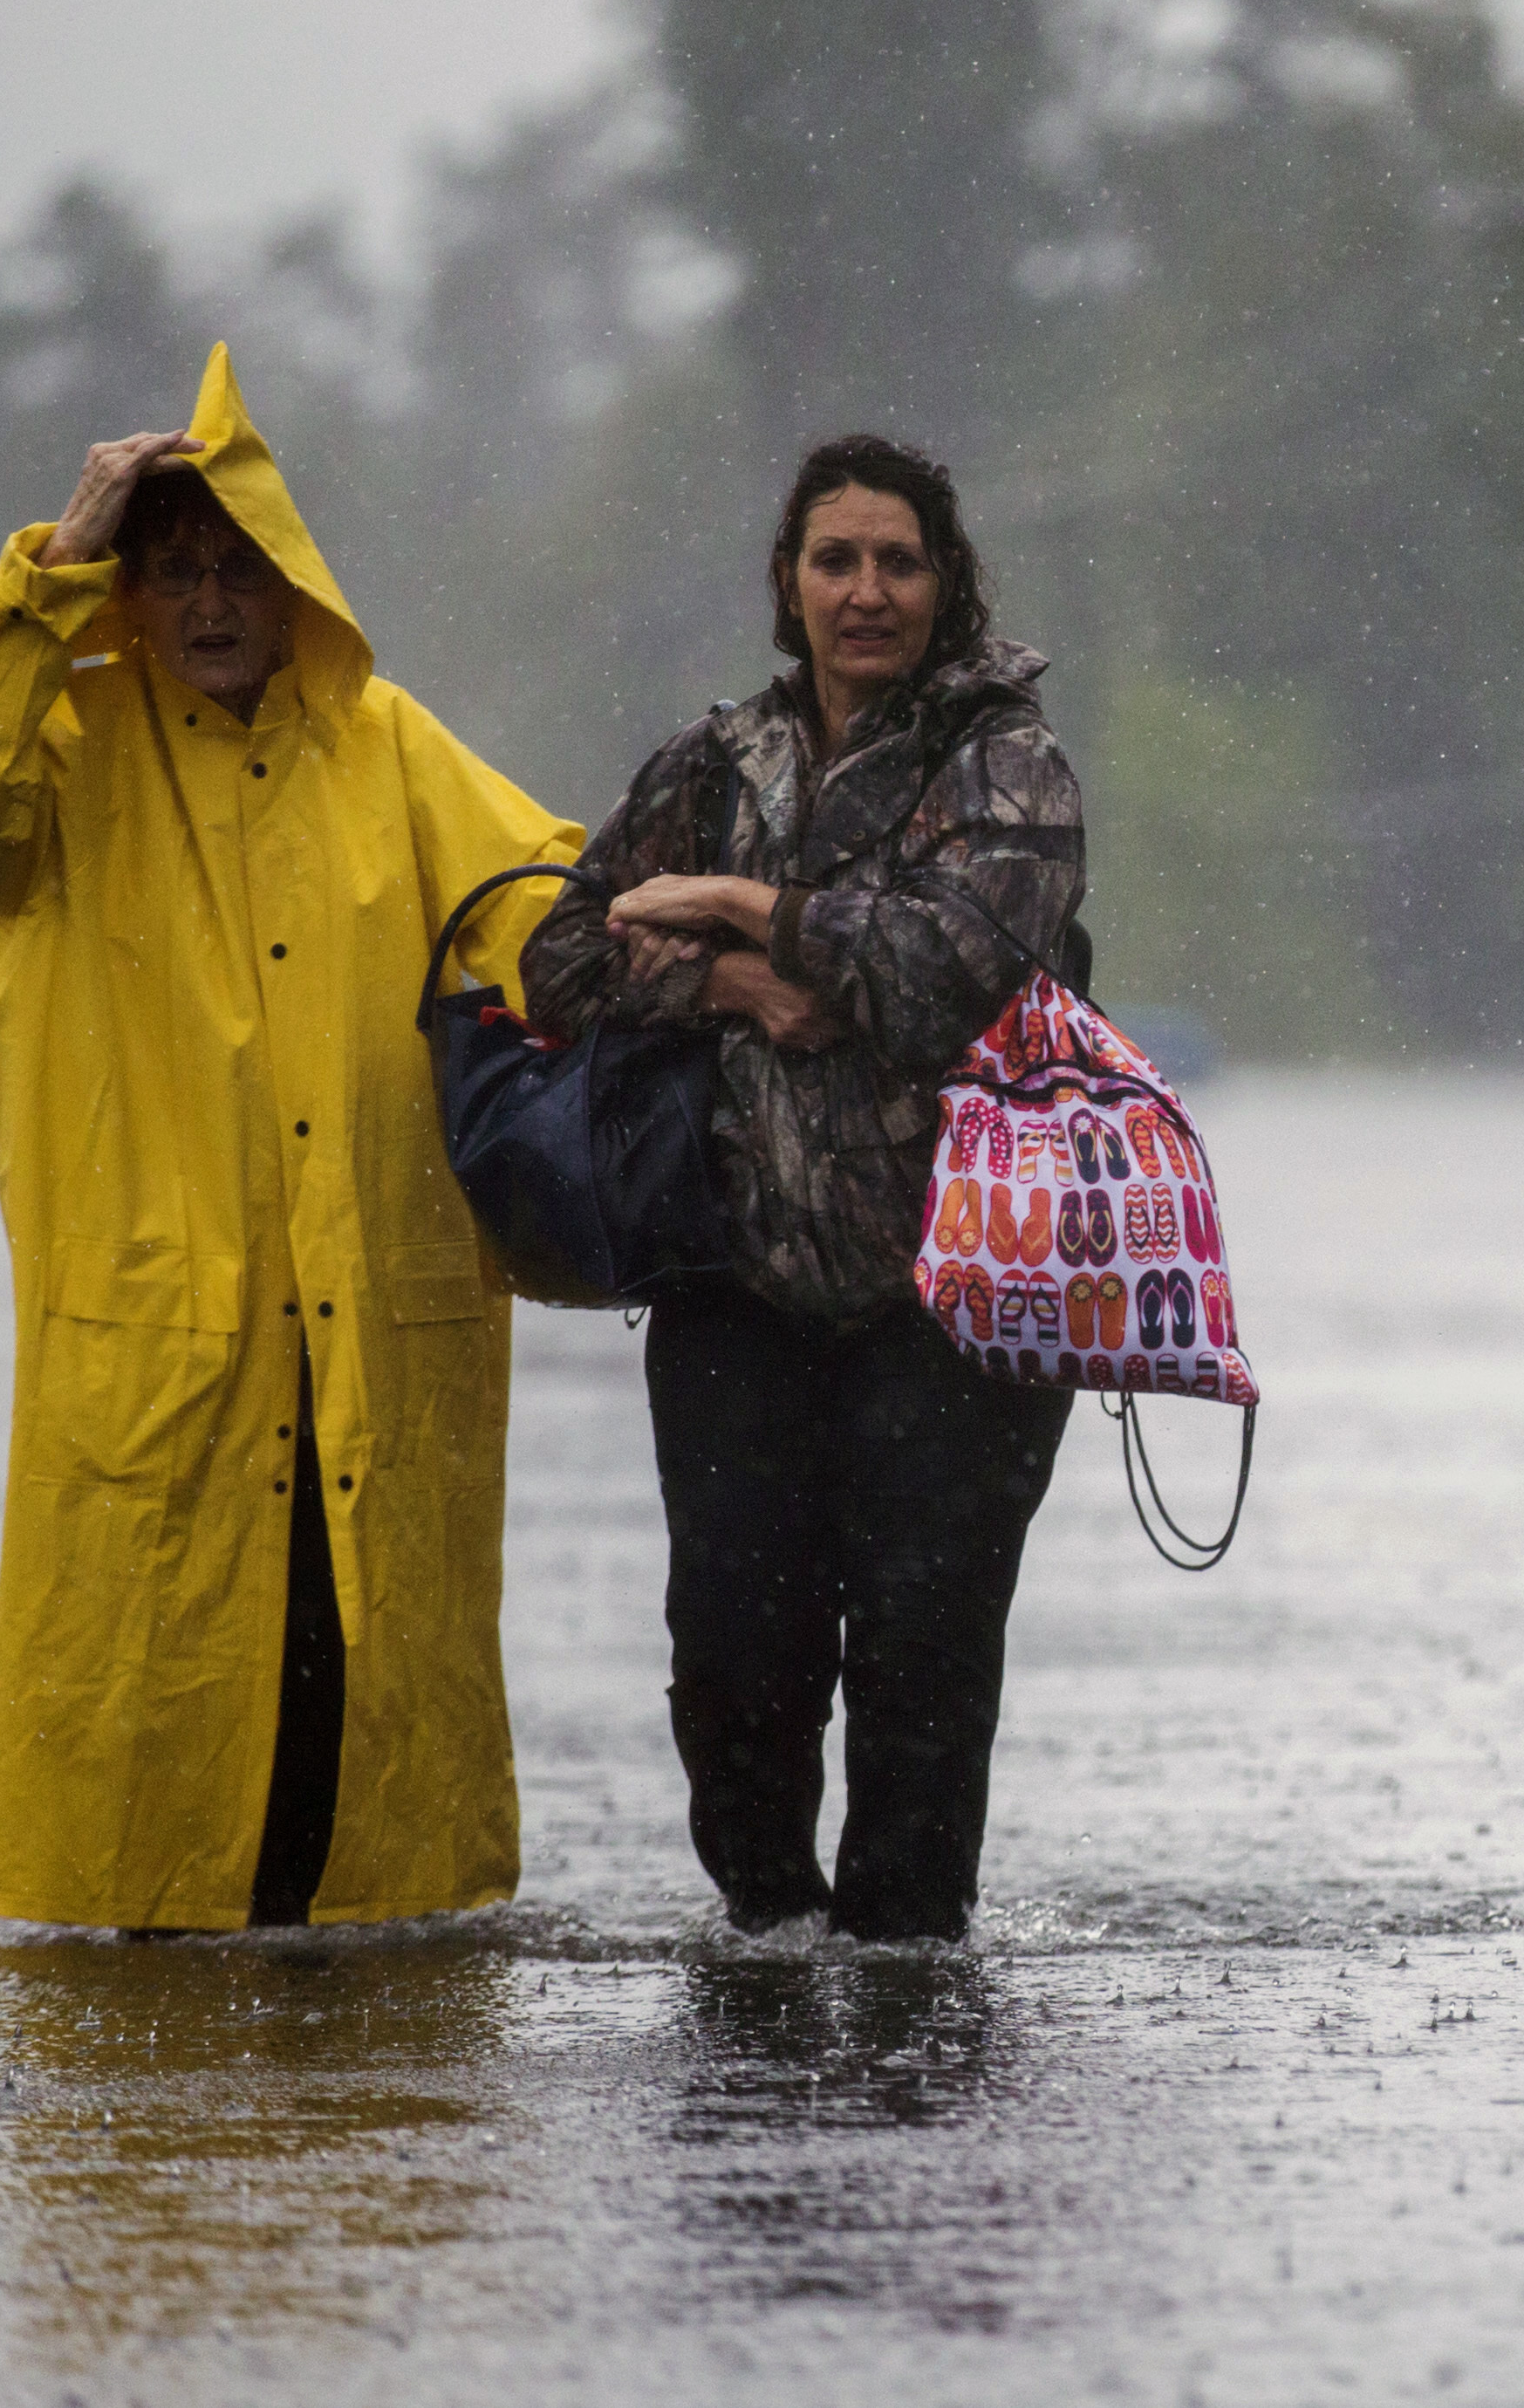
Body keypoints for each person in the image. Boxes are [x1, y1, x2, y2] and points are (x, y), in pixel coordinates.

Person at [0, 345, 583, 1933]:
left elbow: (541, 903)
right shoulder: (62, 759)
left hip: (369, 1335)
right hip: (160, 1345)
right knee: (152, 1737)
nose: (207, 600)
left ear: (293, 589)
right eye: (175, 567)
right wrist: (59, 551)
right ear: (131, 589)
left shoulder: (389, 747)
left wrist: (712, 930)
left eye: (238, 567)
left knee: (362, 1727)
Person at [521, 434, 1084, 1946]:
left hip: (958, 1300)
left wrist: (738, 901)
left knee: (923, 1653)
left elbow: (947, 966)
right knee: (732, 1650)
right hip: (734, 1286)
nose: (866, 590)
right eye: (835, 558)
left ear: (944, 581)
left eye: (898, 560)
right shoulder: (708, 763)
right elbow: (561, 962)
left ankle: (906, 1978)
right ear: (789, 581)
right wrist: (734, 984)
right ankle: (766, 1940)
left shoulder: (1006, 762)